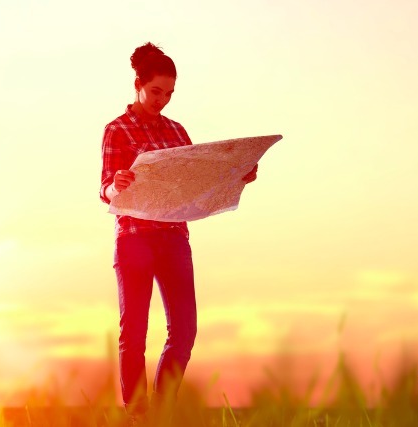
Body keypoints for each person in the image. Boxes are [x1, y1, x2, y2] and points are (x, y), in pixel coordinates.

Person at [99, 42, 258, 410]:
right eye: (156, 91)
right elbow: (104, 187)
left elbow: (199, 180)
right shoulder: (117, 130)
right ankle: (138, 415)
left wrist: (238, 175)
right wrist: (115, 184)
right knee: (134, 332)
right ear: (138, 84)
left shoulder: (176, 131)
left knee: (184, 331)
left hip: (173, 238)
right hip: (135, 239)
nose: (162, 100)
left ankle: (163, 409)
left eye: (169, 93)